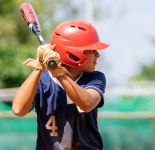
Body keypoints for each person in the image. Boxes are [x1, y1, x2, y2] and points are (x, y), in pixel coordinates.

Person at [12, 20, 109, 150]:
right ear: (74, 55)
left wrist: (58, 71)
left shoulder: (94, 78)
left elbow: (87, 103)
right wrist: (39, 66)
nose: (98, 55)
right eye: (92, 50)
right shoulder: (42, 80)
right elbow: (18, 110)